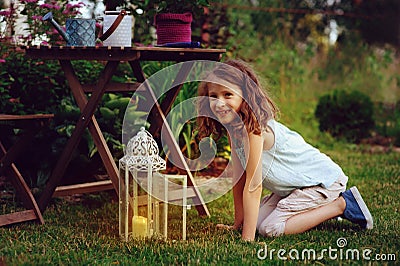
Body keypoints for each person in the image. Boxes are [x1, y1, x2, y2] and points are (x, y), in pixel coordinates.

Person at [196, 59, 373, 241]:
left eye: (227, 95)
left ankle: (342, 204)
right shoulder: (234, 127)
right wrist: (238, 224)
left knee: (269, 228)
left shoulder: (255, 129)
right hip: (293, 188)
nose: (219, 103)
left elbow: (253, 186)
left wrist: (246, 238)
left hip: (322, 182)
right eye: (213, 96)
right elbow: (239, 178)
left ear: (245, 95)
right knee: (255, 222)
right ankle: (314, 209)